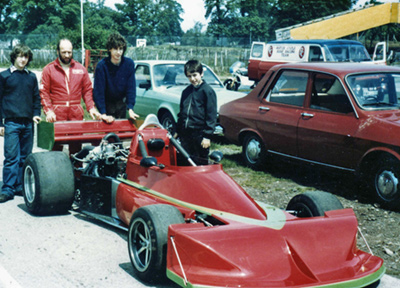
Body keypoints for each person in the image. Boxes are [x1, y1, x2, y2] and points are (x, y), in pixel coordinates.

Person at [0, 44, 42, 203]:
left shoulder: (31, 77)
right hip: (11, 123)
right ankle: (7, 189)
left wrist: (36, 114)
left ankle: (19, 186)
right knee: (12, 157)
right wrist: (0, 124)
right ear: (14, 57)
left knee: (25, 157)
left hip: (28, 124)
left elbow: (36, 98)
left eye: (26, 57)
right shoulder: (4, 76)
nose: (23, 59)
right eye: (20, 56)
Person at [40, 39, 103, 122]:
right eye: (64, 52)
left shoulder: (81, 69)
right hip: (56, 115)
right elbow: (44, 93)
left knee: (77, 135)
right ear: (57, 52)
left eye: (69, 52)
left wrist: (91, 108)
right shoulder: (48, 70)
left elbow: (87, 91)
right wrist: (49, 111)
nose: (67, 55)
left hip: (76, 114)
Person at [175, 59, 217, 165]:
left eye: (195, 75)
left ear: (201, 74)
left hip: (200, 135)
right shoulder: (186, 92)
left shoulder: (208, 91)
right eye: (189, 76)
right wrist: (177, 131)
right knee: (184, 162)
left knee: (199, 164)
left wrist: (207, 136)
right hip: (185, 134)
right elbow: (182, 114)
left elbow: (211, 116)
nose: (192, 79)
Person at [93, 32, 139, 121]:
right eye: (115, 49)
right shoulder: (102, 66)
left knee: (122, 132)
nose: (118, 52)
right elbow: (99, 92)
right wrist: (103, 113)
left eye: (121, 49)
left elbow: (131, 88)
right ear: (110, 49)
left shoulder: (129, 64)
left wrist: (130, 108)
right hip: (107, 104)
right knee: (109, 133)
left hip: (121, 104)